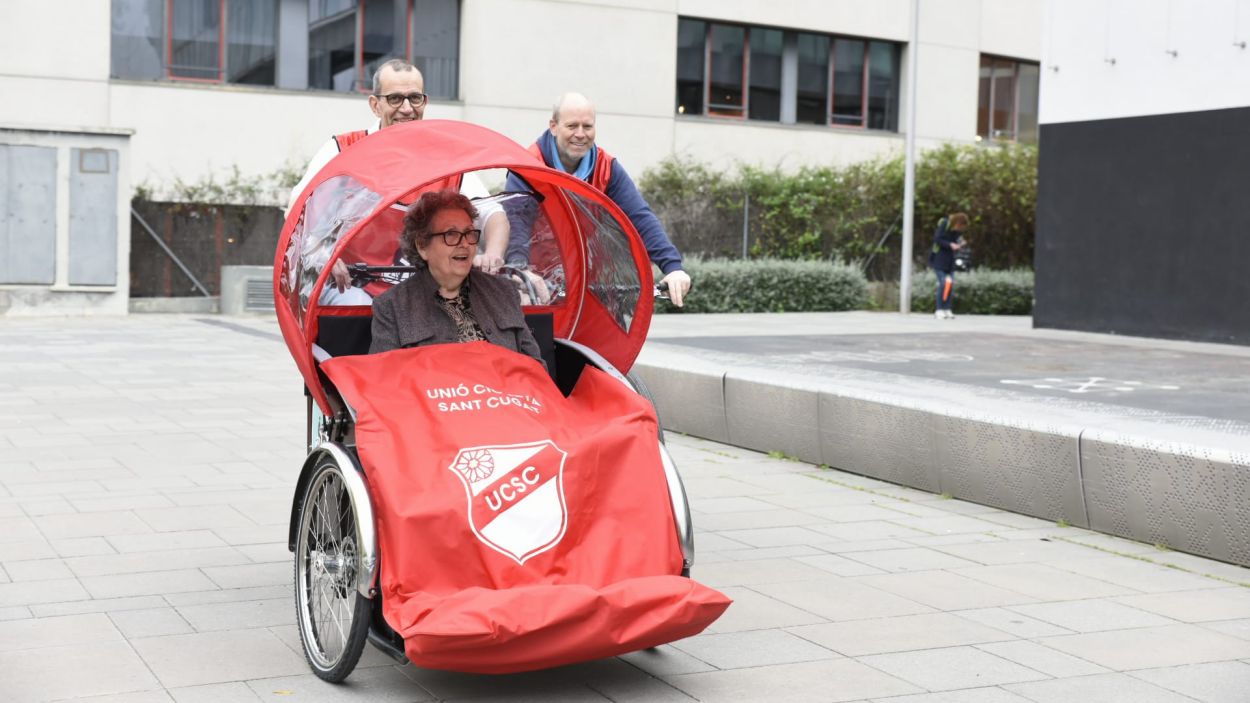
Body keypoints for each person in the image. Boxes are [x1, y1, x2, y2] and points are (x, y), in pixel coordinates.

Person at [289, 58, 509, 305]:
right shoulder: (342, 150)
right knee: (360, 309)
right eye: (395, 99)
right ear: (375, 105)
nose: (407, 108)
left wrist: (493, 255)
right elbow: (299, 209)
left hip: (419, 290)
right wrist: (321, 254)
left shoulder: (446, 160)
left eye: (415, 98)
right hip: (351, 286)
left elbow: (492, 213)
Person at [503, 92, 693, 306]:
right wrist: (519, 269)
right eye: (572, 126)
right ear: (554, 126)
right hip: (535, 286)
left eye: (588, 126)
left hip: (584, 283)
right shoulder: (528, 166)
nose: (580, 134)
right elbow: (516, 221)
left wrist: (673, 267)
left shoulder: (606, 167)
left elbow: (640, 217)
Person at [370, 190, 544, 366]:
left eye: (469, 233)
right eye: (451, 234)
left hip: (507, 391)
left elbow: (536, 368)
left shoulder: (503, 291)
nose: (465, 243)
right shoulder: (391, 306)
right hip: (435, 393)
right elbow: (383, 380)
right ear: (422, 246)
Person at [929, 212, 969, 319]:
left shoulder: (957, 232)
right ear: (956, 222)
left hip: (950, 260)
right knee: (943, 283)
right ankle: (939, 309)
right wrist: (949, 244)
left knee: (950, 284)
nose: (959, 229)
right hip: (939, 258)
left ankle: (947, 309)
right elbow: (937, 239)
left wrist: (960, 243)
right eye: (960, 226)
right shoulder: (945, 224)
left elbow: (957, 239)